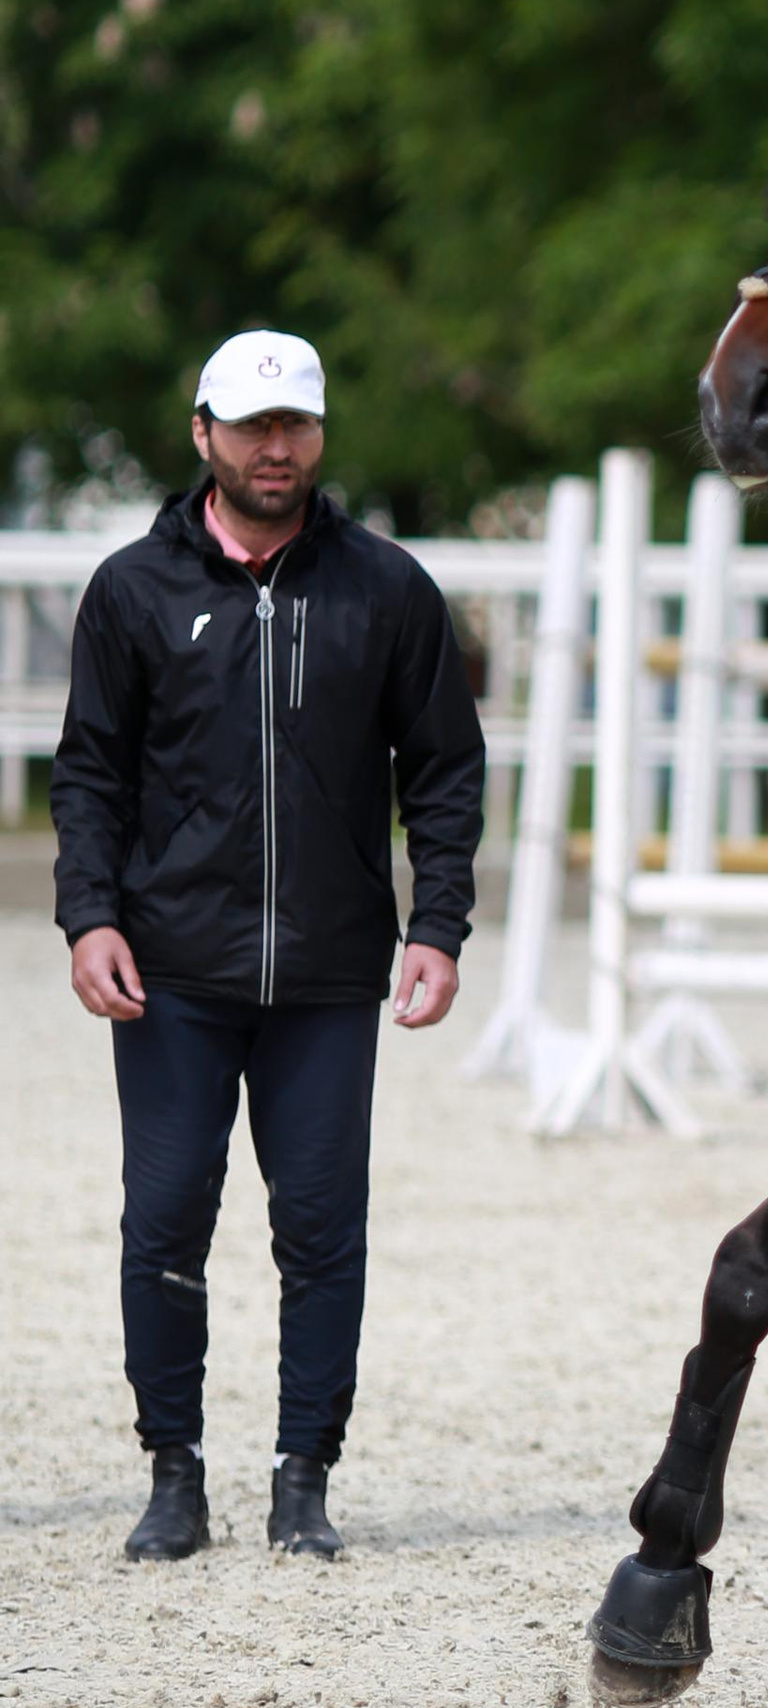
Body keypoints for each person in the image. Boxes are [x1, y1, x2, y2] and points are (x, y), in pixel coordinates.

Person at [50, 329, 485, 1564]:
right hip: (172, 970)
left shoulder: (386, 590)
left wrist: (438, 925)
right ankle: (173, 1475)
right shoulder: (132, 591)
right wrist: (90, 916)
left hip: (331, 973)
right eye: (251, 427)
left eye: (293, 424)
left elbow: (445, 772)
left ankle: (305, 1479)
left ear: (319, 433)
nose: (274, 447)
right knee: (163, 1222)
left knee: (323, 1231)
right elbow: (89, 775)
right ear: (205, 435)